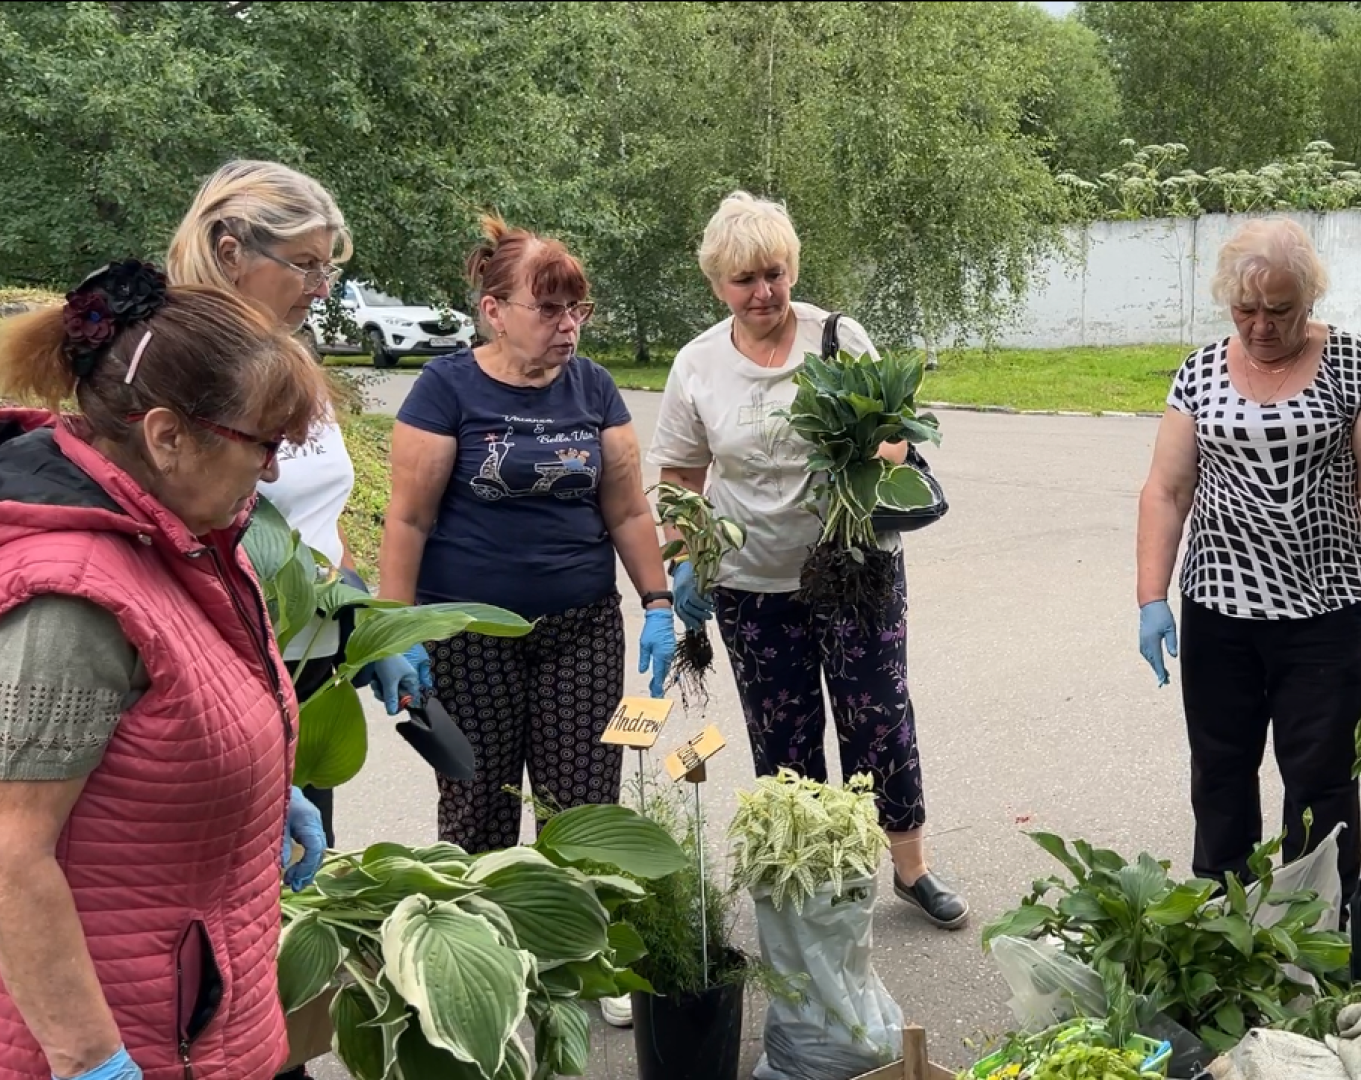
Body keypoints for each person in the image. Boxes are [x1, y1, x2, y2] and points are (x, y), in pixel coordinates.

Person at [0, 261, 333, 1080]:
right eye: (263, 443)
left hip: (185, 1017)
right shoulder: (67, 602)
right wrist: (93, 1062)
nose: (272, 470)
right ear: (167, 435)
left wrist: (261, 794)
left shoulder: (175, 533)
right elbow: (2, 854)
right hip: (119, 1037)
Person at [649, 190, 970, 930]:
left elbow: (896, 436)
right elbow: (679, 476)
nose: (764, 292)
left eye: (775, 273)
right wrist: (686, 558)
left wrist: (859, 446)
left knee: (879, 718)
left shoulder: (836, 338)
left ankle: (909, 866)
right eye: (745, 280)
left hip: (854, 571)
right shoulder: (697, 365)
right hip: (752, 583)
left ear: (792, 267)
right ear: (717, 285)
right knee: (781, 733)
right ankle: (820, 879)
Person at [1134, 216, 1361, 913]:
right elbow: (1167, 490)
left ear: (1310, 300)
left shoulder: (1353, 365)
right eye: (1246, 310)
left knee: (1320, 776)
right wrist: (1151, 597)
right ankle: (1223, 914)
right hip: (1219, 607)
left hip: (1324, 609)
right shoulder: (1201, 371)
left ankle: (1319, 917)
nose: (1261, 325)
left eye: (1280, 310)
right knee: (1221, 771)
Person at [166, 160, 428, 875]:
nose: (320, 289)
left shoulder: (287, 359)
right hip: (222, 688)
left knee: (300, 899)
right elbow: (170, 560)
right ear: (231, 252)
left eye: (327, 271)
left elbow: (320, 520)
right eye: (305, 266)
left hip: (304, 679)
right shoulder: (177, 370)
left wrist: (365, 627)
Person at [377, 218, 675, 841]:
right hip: (468, 637)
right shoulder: (445, 389)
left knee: (584, 812)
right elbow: (408, 518)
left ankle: (572, 937)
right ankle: (482, 934)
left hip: (580, 630)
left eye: (577, 310)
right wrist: (395, 630)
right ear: (495, 311)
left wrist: (657, 602)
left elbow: (625, 510)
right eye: (548, 309)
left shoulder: (594, 387)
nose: (568, 325)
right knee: (477, 807)